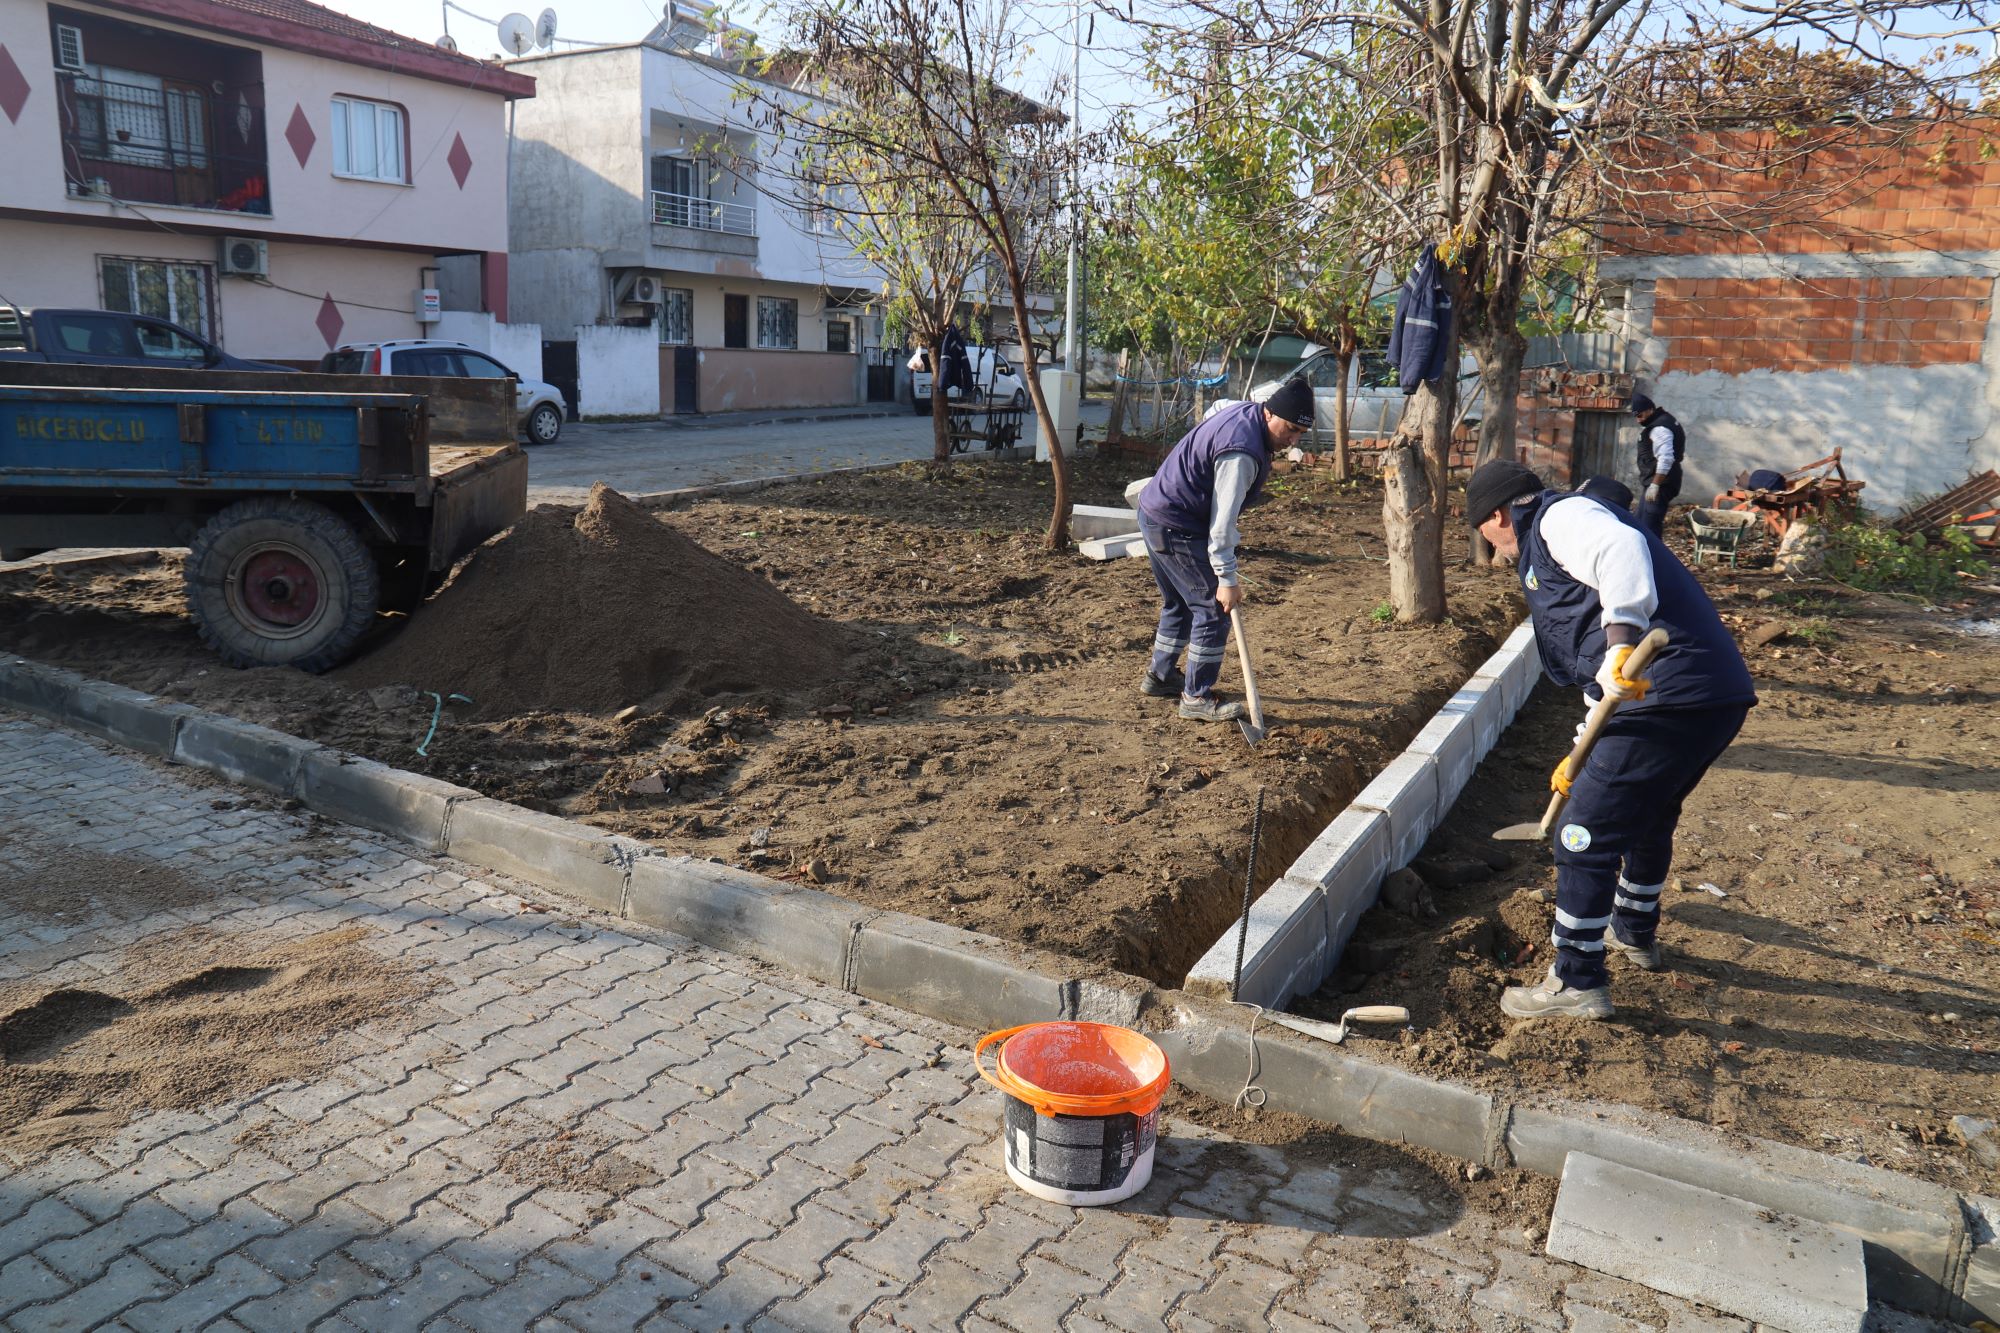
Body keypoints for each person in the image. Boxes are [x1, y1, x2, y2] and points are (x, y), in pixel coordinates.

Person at [1463, 459, 1756, 1019]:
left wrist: (1622, 637)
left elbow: (1620, 552)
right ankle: (1633, 932)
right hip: (1708, 696)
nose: (1495, 550)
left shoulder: (1560, 517)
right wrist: (1581, 748)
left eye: (1487, 534)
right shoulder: (1556, 529)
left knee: (1581, 835)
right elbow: (1607, 675)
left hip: (1666, 693)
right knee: (1649, 814)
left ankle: (1576, 980)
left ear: (1497, 514)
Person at [1135, 377, 1315, 722]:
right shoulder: (1242, 455)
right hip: (1176, 525)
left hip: (1155, 511)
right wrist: (1226, 579)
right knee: (1213, 609)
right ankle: (1195, 697)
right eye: (1290, 429)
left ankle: (1160, 677)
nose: (1292, 440)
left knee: (1179, 603)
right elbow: (1221, 528)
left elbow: (1217, 411)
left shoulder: (1244, 413)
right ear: (1268, 413)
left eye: (1299, 434)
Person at [1629, 391, 1685, 538]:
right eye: (1636, 416)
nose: (1638, 420)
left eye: (1640, 415)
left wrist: (1655, 485)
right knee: (1639, 522)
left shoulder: (1660, 428)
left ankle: (1655, 559)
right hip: (1656, 482)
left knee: (1649, 527)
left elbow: (1666, 458)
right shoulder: (1663, 421)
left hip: (1661, 483)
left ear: (1650, 410)